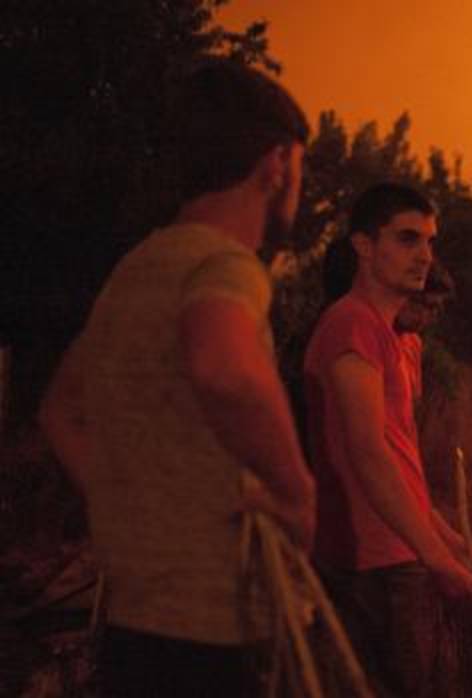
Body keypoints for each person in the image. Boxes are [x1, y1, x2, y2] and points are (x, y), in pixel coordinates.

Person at [37, 59, 315, 697]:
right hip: (215, 631)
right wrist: (296, 489)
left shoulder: (137, 267)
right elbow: (222, 365)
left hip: (134, 625)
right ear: (276, 164)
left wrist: (132, 505)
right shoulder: (228, 264)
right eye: (300, 168)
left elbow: (59, 412)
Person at [302, 183, 472, 698]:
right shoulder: (352, 326)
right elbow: (368, 457)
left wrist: (448, 541)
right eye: (407, 239)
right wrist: (437, 560)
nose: (425, 255)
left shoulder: (383, 333)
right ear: (363, 244)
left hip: (396, 551)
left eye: (429, 241)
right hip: (374, 558)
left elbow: (398, 462)